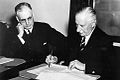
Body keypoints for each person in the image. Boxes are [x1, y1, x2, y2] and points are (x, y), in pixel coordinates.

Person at [2, 2, 68, 66]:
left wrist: (56, 57)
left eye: (29, 18)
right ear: (17, 19)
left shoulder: (44, 28)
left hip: (44, 68)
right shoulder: (11, 32)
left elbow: (64, 42)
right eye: (23, 20)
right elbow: (10, 54)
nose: (27, 23)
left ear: (33, 15)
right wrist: (20, 37)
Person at [68, 7, 116, 80]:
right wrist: (56, 58)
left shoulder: (104, 40)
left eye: (82, 26)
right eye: (76, 25)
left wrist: (85, 67)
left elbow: (110, 69)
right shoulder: (74, 36)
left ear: (93, 24)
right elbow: (67, 54)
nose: (77, 30)